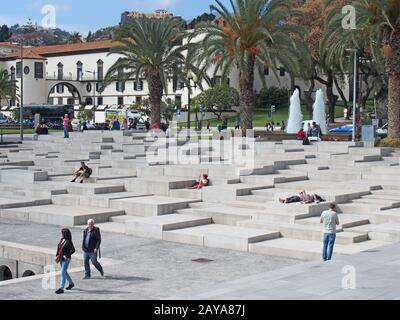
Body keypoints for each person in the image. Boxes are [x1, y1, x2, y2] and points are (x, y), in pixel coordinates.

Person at [55, 228, 76, 294]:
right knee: (64, 272)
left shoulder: (69, 241)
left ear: (65, 234)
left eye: (62, 233)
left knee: (62, 273)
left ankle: (61, 288)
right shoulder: (62, 239)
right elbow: (59, 247)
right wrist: (57, 255)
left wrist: (67, 255)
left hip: (66, 259)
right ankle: (71, 283)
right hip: (61, 258)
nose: (61, 234)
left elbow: (73, 250)